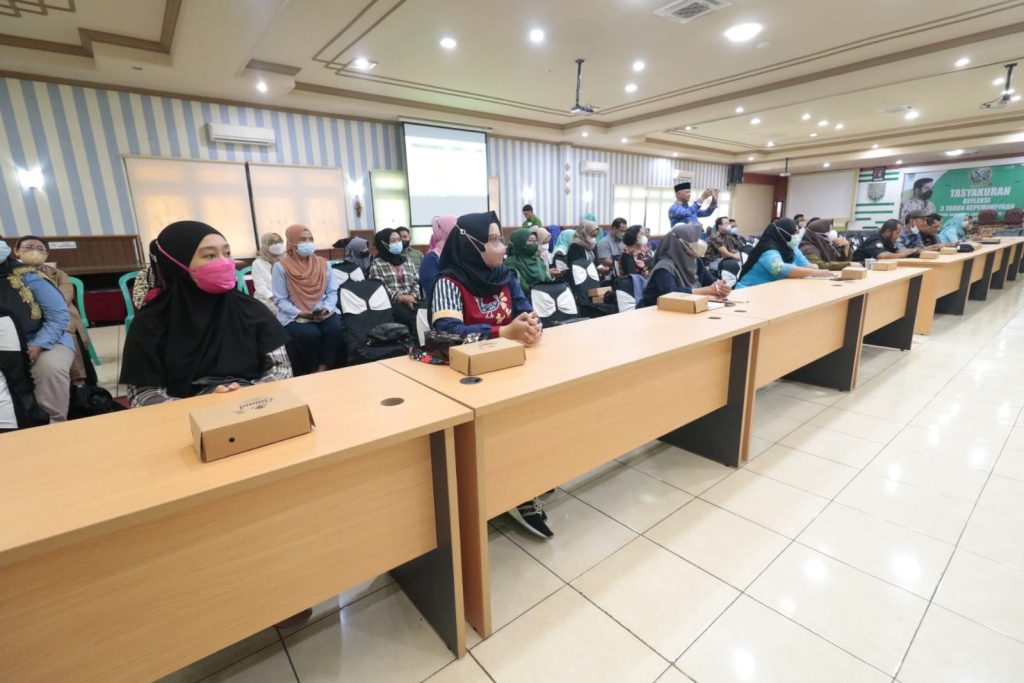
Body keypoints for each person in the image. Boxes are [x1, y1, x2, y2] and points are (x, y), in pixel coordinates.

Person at [430, 211, 549, 538]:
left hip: (508, 367)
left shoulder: (506, 276)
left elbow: (525, 313)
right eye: (493, 240)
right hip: (465, 379)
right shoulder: (448, 281)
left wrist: (532, 326)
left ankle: (527, 476)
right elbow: (446, 335)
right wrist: (503, 332)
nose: (502, 246)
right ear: (471, 244)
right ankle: (514, 489)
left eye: (501, 239)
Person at [120, 221, 292, 406]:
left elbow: (280, 368)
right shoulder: (150, 323)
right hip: (185, 417)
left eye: (227, 253)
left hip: (255, 407)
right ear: (177, 263)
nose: (225, 262)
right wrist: (203, 406)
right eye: (210, 255)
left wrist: (246, 399)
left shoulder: (252, 310)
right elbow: (143, 395)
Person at [0, 239, 73, 422]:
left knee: (50, 367)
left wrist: (38, 345)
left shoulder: (27, 276)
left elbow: (58, 315)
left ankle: (52, 424)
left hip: (42, 340)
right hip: (4, 347)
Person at [14, 236, 93, 385]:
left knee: (65, 327)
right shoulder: (12, 275)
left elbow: (64, 298)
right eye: (29, 247)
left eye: (40, 249)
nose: (34, 251)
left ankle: (78, 382)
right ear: (16, 251)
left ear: (46, 254)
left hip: (59, 314)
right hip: (27, 318)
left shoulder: (58, 274)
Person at [272, 224, 344, 374]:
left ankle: (324, 368)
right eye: (302, 240)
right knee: (309, 334)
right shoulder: (280, 267)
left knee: (335, 328)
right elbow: (280, 299)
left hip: (323, 310)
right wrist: (299, 312)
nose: (308, 243)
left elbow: (332, 291)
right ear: (291, 243)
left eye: (310, 239)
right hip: (295, 313)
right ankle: (312, 370)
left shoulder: (323, 264)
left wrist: (327, 308)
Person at [639, 224, 731, 307]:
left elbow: (710, 281)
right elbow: (670, 294)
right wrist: (708, 290)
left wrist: (721, 288)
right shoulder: (664, 266)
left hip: (685, 309)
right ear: (680, 243)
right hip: (653, 311)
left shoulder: (695, 260)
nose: (699, 243)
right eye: (694, 240)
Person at [735, 218, 823, 289]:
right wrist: (813, 272)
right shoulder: (768, 249)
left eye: (798, 233)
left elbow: (805, 264)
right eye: (795, 232)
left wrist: (813, 268)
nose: (797, 236)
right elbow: (780, 269)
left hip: (772, 290)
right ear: (784, 233)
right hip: (749, 291)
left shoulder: (791, 246)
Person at [368, 228, 421, 332]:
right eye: (393, 241)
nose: (397, 243)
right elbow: (380, 287)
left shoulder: (407, 261)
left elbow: (416, 282)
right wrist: (401, 298)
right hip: (392, 304)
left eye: (399, 240)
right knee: (407, 317)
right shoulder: (377, 264)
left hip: (412, 300)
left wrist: (412, 296)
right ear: (383, 244)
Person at [420, 214, 457, 300]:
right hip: (443, 303)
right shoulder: (431, 259)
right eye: (455, 228)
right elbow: (432, 289)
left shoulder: (460, 252)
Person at [504, 228, 552, 294]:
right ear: (520, 243)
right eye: (530, 241)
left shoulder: (538, 260)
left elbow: (548, 280)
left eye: (535, 241)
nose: (533, 244)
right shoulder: (511, 263)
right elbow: (523, 288)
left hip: (544, 297)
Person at [851, 219, 919, 263]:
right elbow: (882, 255)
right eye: (897, 233)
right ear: (888, 232)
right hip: (859, 267)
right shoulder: (875, 239)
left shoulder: (888, 241)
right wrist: (902, 255)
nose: (898, 236)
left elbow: (897, 251)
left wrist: (913, 251)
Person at [252, 232, 284, 314]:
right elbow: (260, 286)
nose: (277, 245)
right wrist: (272, 297)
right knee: (281, 311)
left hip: (283, 298)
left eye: (279, 242)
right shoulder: (257, 263)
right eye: (273, 243)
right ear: (265, 246)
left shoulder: (285, 260)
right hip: (266, 299)